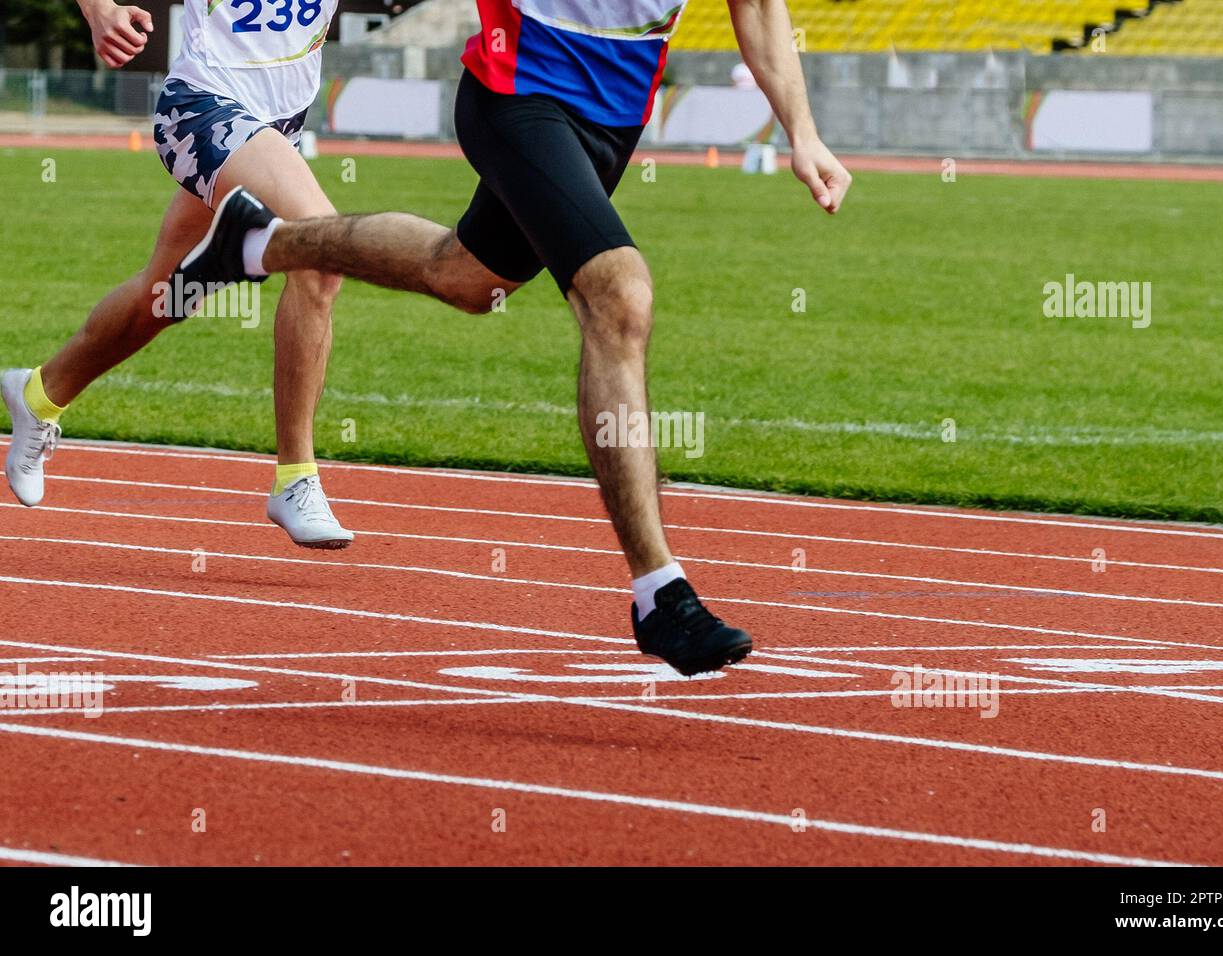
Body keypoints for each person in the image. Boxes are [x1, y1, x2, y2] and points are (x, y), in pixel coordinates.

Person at [174, 0, 852, 675]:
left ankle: (260, 242)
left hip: (614, 118)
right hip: (518, 93)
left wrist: (804, 131)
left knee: (465, 277)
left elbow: (757, 6)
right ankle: (659, 593)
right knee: (619, 296)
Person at [2, 0, 352, 548]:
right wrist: (98, 11)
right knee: (321, 251)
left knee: (165, 297)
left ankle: (39, 393)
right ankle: (295, 478)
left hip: (278, 123)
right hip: (202, 107)